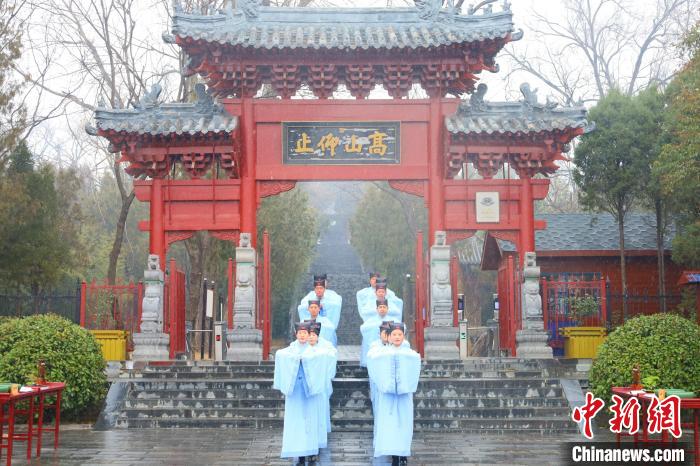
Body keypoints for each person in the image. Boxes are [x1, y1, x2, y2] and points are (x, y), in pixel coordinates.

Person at [366, 322, 421, 466]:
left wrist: (405, 384)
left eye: (400, 334)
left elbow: (415, 367)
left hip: (403, 396)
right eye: (394, 334)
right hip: (388, 396)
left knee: (404, 424)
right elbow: (373, 366)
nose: (397, 337)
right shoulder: (381, 354)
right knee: (390, 424)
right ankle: (393, 453)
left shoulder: (410, 354)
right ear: (388, 336)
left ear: (404, 336)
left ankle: (403, 453)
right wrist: (384, 384)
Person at [273, 321, 327, 465]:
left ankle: (311, 452)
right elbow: (280, 354)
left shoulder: (314, 351)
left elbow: (321, 357)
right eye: (300, 333)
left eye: (305, 333)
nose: (302, 335)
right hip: (295, 391)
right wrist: (295, 359)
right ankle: (299, 454)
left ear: (309, 334)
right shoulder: (290, 350)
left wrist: (306, 359)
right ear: (296, 334)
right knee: (296, 422)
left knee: (310, 421)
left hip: (309, 391)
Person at [306, 320, 337, 446]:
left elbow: (331, 357)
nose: (311, 337)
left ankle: (320, 432)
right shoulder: (301, 347)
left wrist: (325, 376)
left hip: (320, 383)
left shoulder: (326, 346)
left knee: (321, 408)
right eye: (309, 334)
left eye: (314, 334)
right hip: (307, 385)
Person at [359, 299, 393, 367]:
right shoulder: (370, 321)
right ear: (377, 309)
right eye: (380, 307)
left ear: (387, 309)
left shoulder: (393, 320)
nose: (382, 309)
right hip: (375, 346)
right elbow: (363, 328)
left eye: (384, 307)